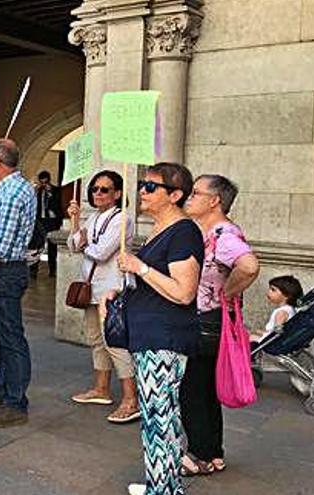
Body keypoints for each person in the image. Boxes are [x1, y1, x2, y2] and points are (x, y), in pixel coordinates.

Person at [103, 163, 204, 495]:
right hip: (151, 335)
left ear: (175, 195)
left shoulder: (184, 231)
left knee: (159, 418)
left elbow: (183, 291)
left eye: (150, 187)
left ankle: (162, 491)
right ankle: (165, 485)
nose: (142, 191)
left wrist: (140, 267)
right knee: (160, 416)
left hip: (165, 339)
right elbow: (156, 285)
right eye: (142, 184)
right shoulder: (162, 230)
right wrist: (125, 289)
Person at [180, 173, 260, 476]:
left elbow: (250, 266)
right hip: (211, 323)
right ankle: (213, 453)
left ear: (214, 201)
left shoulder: (223, 234)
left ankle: (199, 454)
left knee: (191, 391)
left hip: (205, 323)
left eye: (196, 193)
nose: (190, 197)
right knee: (206, 391)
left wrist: (226, 293)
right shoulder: (211, 232)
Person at [66, 170, 139, 423]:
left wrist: (85, 243)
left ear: (117, 193)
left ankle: (131, 399)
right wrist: (76, 222)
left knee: (114, 342)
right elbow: (73, 245)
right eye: (95, 189)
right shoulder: (94, 217)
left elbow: (100, 252)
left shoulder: (122, 219)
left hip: (112, 287)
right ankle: (101, 388)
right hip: (92, 288)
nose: (97, 193)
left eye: (104, 189)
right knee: (96, 339)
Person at [0, 138, 36, 429]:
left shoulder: (12, 191)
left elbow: (0, 245)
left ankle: (16, 402)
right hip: (6, 269)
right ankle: (2, 389)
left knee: (11, 336)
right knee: (5, 332)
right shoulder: (9, 188)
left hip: (5, 270)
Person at [251, 276, 303, 345]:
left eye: (273, 290)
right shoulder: (290, 309)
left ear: (287, 295)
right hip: (271, 338)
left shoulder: (281, 312)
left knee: (248, 338)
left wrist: (261, 335)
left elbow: (276, 333)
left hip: (271, 342)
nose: (269, 292)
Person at [35, 170, 63, 277]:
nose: (44, 184)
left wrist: (50, 194)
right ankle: (34, 269)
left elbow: (58, 204)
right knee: (38, 244)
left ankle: (52, 270)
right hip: (41, 220)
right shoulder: (38, 191)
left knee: (52, 247)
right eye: (42, 182)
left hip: (52, 221)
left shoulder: (55, 190)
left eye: (45, 182)